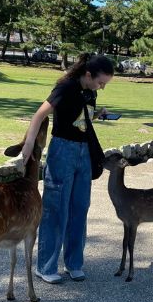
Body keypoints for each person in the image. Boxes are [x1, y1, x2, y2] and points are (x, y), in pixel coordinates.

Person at [22, 53, 114, 284]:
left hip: (84, 154)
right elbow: (40, 114)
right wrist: (29, 144)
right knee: (56, 208)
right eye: (100, 82)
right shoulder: (65, 88)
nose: (101, 87)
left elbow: (82, 118)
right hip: (62, 151)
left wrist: (98, 114)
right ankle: (46, 266)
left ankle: (74, 263)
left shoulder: (89, 92)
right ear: (88, 74)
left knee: (80, 208)